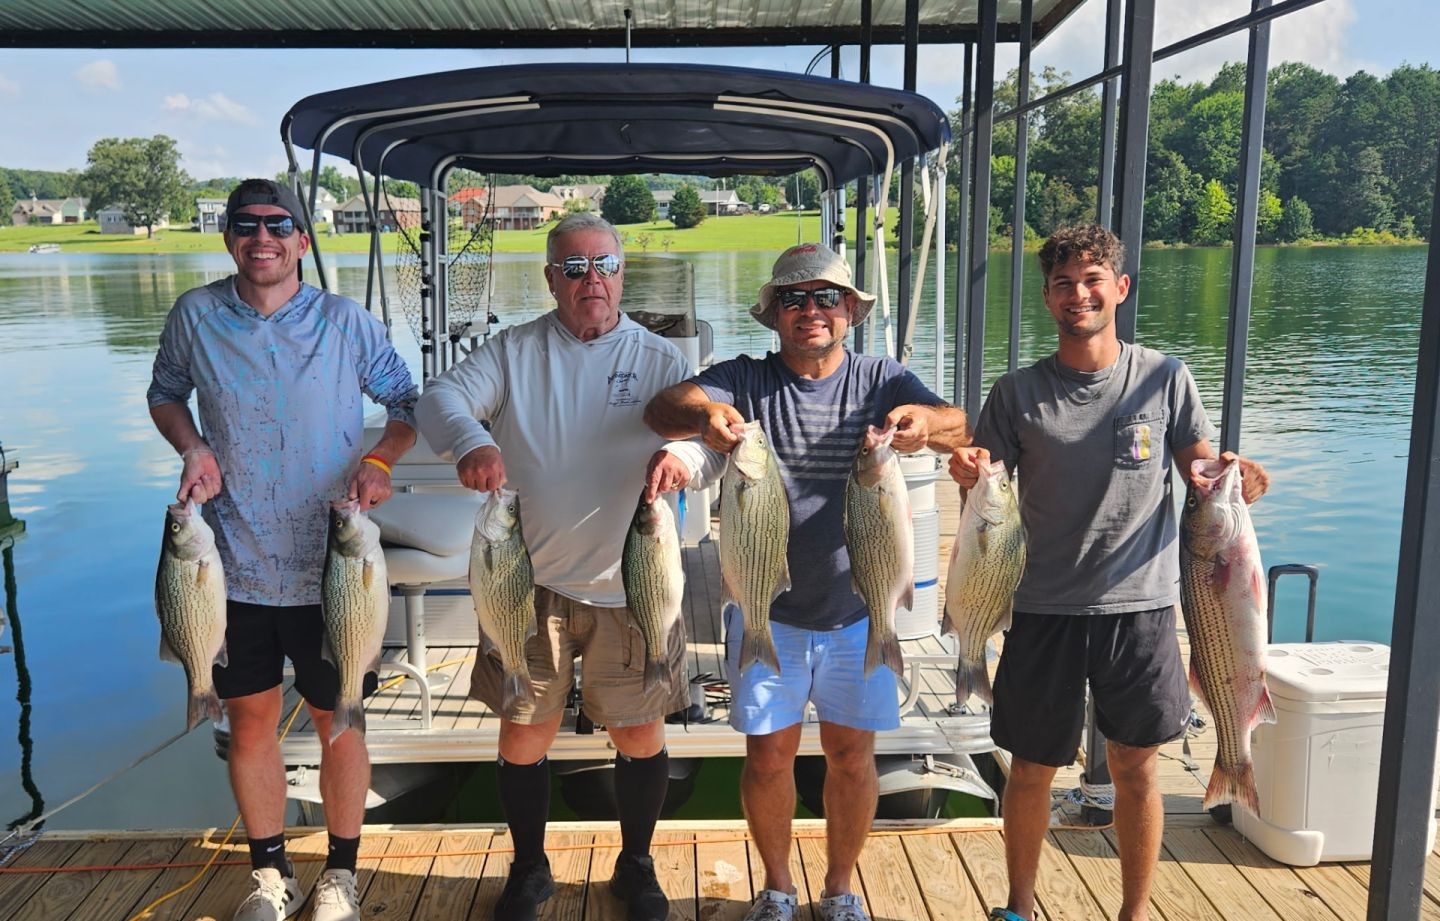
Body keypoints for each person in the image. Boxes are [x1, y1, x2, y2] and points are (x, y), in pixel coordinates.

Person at [947, 224, 1270, 921]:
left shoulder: (1165, 377)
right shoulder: (1017, 391)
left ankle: (1133, 912)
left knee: (1135, 766)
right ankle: (1019, 906)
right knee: (1031, 768)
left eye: (1092, 280)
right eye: (1063, 284)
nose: (1079, 295)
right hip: (1041, 607)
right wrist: (965, 469)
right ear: (1047, 297)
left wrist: (1237, 473)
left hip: (1141, 607)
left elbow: (1203, 471)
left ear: (1119, 288)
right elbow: (982, 479)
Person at [643, 243, 970, 921]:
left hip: (859, 613)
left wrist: (925, 425)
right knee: (768, 759)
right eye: (794, 298)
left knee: (852, 757)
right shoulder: (745, 379)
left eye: (827, 297)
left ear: (850, 310)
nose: (811, 310)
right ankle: (777, 888)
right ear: (775, 315)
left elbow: (957, 424)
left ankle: (840, 888)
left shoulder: (882, 380)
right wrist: (705, 417)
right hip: (769, 612)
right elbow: (664, 405)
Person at [415, 213, 718, 921]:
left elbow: (712, 437)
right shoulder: (514, 351)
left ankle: (636, 863)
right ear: (551, 279)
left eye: (604, 265)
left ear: (622, 274)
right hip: (529, 583)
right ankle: (529, 867)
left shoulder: (661, 359)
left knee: (641, 731)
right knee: (524, 731)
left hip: (634, 585)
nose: (592, 281)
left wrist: (685, 457)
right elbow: (439, 399)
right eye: (575, 268)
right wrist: (470, 440)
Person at [148, 179, 419, 921]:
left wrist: (381, 460)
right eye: (246, 225)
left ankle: (340, 876)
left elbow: (405, 403)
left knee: (339, 720)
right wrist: (193, 444)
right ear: (228, 237)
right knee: (251, 723)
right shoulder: (195, 315)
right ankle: (271, 875)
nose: (261, 238)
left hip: (335, 568)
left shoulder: (344, 321)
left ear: (302, 239)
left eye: (277, 225)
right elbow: (165, 393)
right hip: (228, 566)